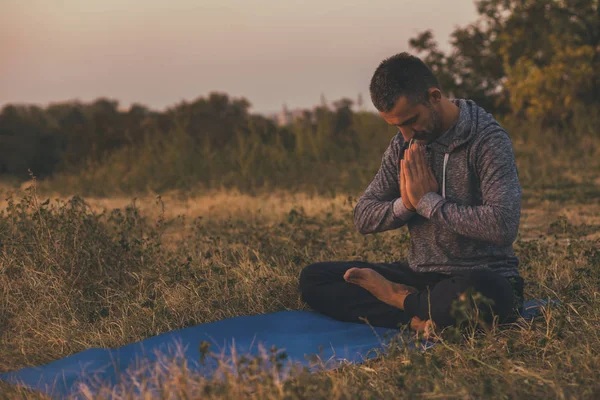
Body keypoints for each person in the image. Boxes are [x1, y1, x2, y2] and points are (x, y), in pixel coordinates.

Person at [298, 52, 525, 335]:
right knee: (315, 278)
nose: (406, 135)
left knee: (490, 292)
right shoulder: (403, 145)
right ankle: (416, 320)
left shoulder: (487, 140)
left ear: (434, 96)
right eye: (396, 126)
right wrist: (406, 204)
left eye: (411, 120)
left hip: (480, 277)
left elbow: (503, 225)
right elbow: (363, 216)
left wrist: (429, 203)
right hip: (420, 276)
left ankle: (398, 300)